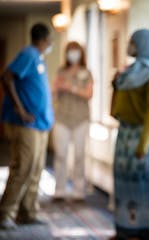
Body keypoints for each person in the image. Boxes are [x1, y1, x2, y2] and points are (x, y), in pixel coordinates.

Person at [110, 29, 149, 240]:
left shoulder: (136, 77)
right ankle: (136, 230)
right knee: (137, 186)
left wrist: (142, 146)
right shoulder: (145, 77)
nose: (129, 46)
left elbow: (118, 112)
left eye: (132, 42)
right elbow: (148, 115)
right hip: (137, 138)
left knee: (135, 186)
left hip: (133, 139)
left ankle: (135, 230)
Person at [0, 23, 54, 229]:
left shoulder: (39, 58)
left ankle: (27, 211)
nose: (51, 43)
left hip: (41, 123)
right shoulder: (29, 54)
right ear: (44, 39)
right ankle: (5, 213)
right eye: (50, 40)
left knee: (36, 169)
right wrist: (20, 109)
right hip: (26, 123)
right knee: (23, 167)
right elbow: (6, 77)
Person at [52, 41, 93, 201]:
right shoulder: (61, 71)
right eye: (70, 51)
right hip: (62, 117)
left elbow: (89, 94)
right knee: (60, 155)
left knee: (79, 155)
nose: (73, 54)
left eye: (76, 51)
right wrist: (57, 87)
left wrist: (71, 88)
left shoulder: (86, 72)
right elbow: (53, 92)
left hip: (80, 119)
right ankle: (59, 189)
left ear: (81, 53)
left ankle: (78, 190)